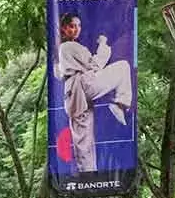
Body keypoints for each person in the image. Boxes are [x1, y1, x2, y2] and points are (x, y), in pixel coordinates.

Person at [54, 12, 133, 173]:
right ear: (63, 28)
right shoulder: (69, 46)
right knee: (123, 66)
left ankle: (87, 173)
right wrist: (103, 45)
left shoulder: (60, 51)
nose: (76, 29)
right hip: (84, 85)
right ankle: (120, 102)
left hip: (73, 95)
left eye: (78, 26)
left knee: (83, 138)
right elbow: (96, 65)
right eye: (71, 26)